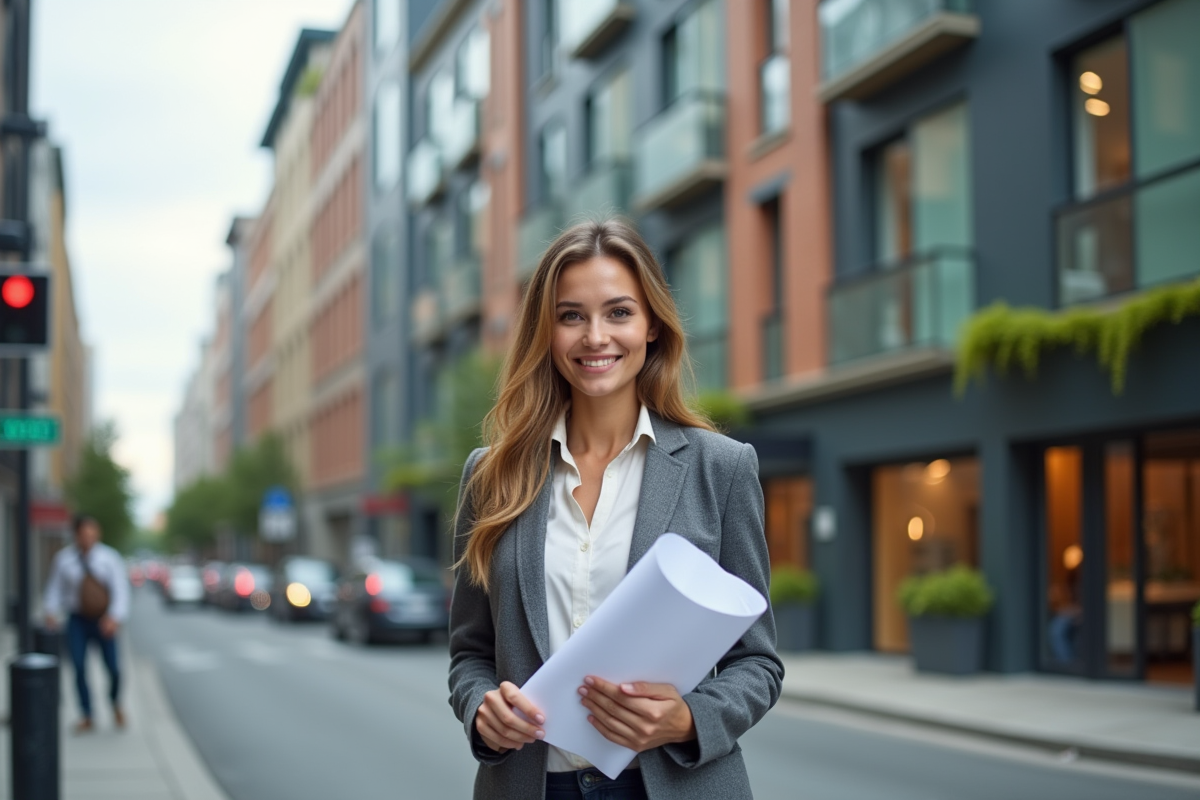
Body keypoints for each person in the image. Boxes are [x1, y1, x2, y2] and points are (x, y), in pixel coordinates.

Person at [449, 219, 783, 799]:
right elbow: (470, 652)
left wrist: (689, 719)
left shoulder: (721, 468)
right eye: (571, 315)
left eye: (619, 313)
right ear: (546, 332)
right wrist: (481, 709)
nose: (595, 336)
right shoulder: (491, 475)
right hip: (532, 785)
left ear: (651, 325)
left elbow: (758, 663)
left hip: (674, 783)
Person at [42, 514, 131, 733]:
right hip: (77, 619)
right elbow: (55, 588)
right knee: (79, 667)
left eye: (93, 534)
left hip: (104, 620)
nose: (89, 538)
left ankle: (115, 702)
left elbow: (121, 591)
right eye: (84, 534)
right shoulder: (64, 560)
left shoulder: (109, 558)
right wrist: (50, 610)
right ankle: (87, 713)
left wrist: (114, 617)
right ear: (76, 535)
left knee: (113, 668)